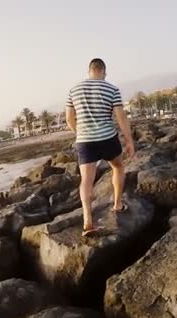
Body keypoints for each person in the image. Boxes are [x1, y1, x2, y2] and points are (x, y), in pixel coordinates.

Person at [65, 58, 135, 237]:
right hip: (107, 138)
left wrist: (78, 132)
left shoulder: (74, 90)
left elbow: (68, 118)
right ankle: (117, 205)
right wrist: (129, 141)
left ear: (89, 70)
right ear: (103, 71)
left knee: (86, 180)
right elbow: (121, 117)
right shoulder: (112, 89)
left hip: (85, 141)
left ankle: (88, 220)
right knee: (118, 167)